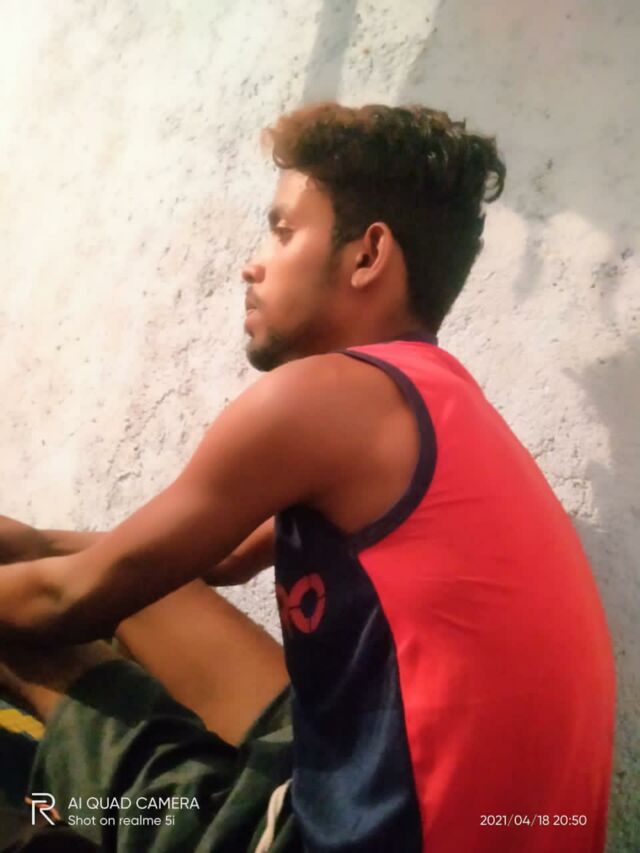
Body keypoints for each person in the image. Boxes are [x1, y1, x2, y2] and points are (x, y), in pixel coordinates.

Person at [0, 103, 615, 852]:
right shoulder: (442, 412)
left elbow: (68, 599)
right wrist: (30, 544)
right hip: (458, 820)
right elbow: (211, 560)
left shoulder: (321, 398)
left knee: (33, 639)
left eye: (283, 230)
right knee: (103, 578)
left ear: (368, 254)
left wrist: (49, 572)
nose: (251, 263)